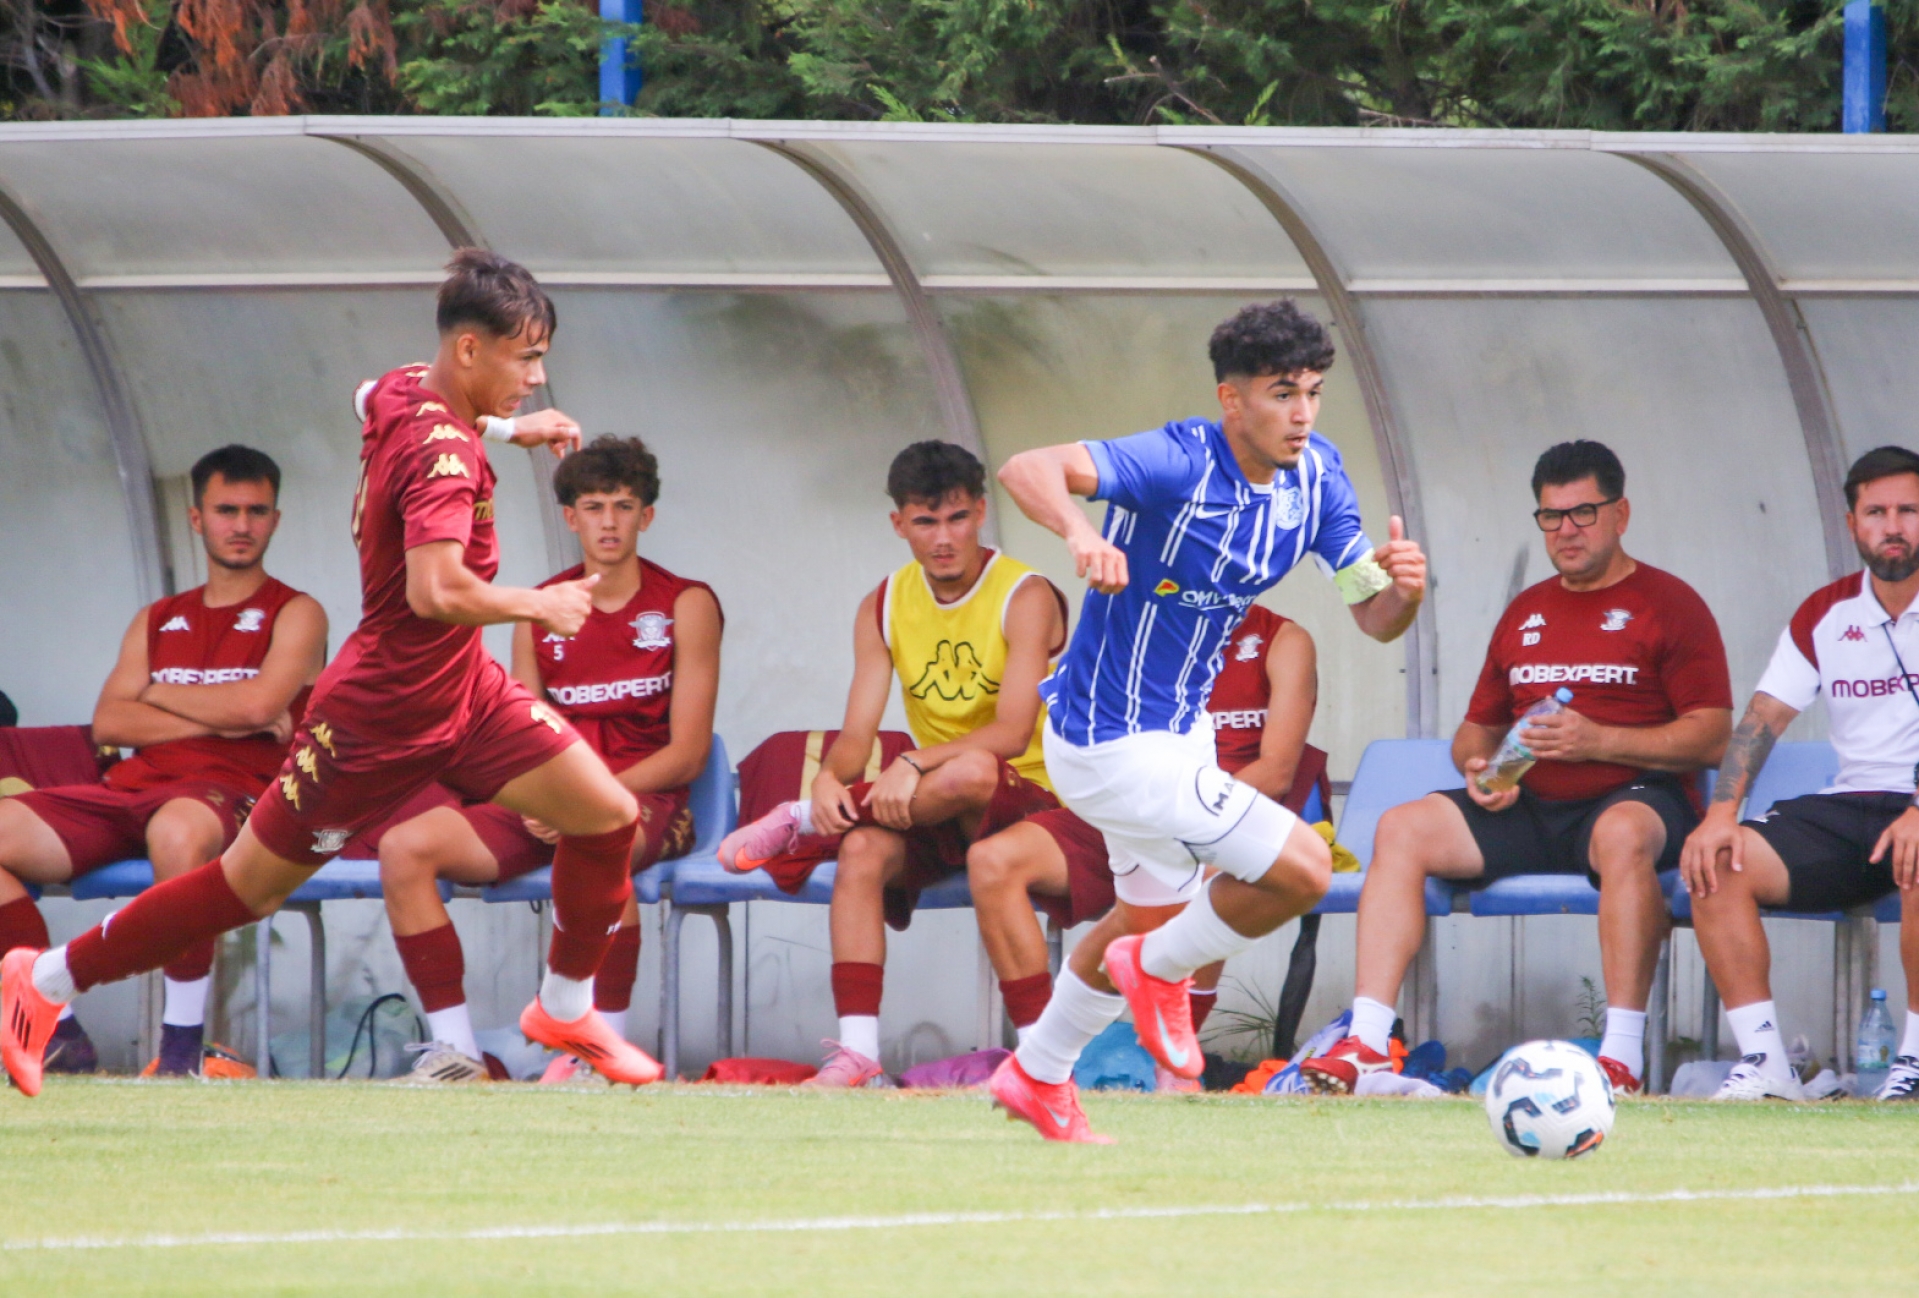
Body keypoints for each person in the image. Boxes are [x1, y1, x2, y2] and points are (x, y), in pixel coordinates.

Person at [1, 250, 666, 1098]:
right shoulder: (443, 455)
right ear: (469, 349)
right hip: (377, 717)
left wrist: (509, 430)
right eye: (526, 359)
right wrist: (540, 605)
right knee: (242, 890)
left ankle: (563, 1008)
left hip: (464, 692)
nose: (537, 380)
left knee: (607, 816)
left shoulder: (405, 388)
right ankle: (44, 978)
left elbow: (364, 392)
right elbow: (434, 591)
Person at [988, 299, 1426, 1141]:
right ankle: (1155, 972)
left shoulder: (1317, 477)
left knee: (1142, 919)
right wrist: (1080, 534)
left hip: (1178, 734)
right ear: (1232, 399)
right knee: (1303, 871)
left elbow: (1372, 616)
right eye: (1280, 394)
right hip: (1106, 740)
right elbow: (1024, 467)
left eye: (1312, 392)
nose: (1301, 413)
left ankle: (1035, 1072)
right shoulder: (1177, 459)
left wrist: (1401, 589)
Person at [1303, 441, 1731, 1097]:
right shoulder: (1527, 610)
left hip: (1631, 798)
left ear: (1620, 514)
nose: (1566, 530)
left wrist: (1598, 739)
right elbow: (1475, 732)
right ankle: (1366, 1042)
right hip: (1527, 804)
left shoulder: (1668, 602)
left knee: (1622, 834)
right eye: (1551, 516)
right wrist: (1480, 771)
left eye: (1583, 513)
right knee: (1401, 827)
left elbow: (1713, 735)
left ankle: (1621, 1057)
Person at [716, 441, 1065, 1086]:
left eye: (956, 518)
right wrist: (829, 778)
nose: (944, 538)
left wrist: (915, 762)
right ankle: (857, 1054)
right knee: (861, 851)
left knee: (974, 770)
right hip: (936, 800)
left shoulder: (1025, 593)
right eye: (925, 521)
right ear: (898, 524)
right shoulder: (882, 602)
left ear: (981, 513)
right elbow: (856, 735)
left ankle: (800, 820)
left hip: (1037, 801)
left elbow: (1013, 734)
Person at [378, 435, 721, 1083]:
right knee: (404, 849)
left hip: (642, 801)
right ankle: (457, 1054)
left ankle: (595, 1058)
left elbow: (687, 753)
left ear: (646, 516)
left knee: (598, 846)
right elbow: (519, 733)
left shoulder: (685, 604)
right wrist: (544, 799)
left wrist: (579, 804)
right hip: (548, 804)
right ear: (570, 517)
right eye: (594, 507)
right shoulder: (538, 608)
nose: (609, 522)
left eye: (624, 506)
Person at [0, 445, 326, 1076]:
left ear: (275, 520)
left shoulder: (297, 611)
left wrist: (155, 692)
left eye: (256, 511)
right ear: (196, 518)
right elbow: (110, 722)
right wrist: (225, 715)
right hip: (131, 786)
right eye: (226, 510)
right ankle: (56, 1026)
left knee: (177, 832)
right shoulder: (158, 617)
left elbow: (259, 705)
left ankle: (180, 1050)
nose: (241, 525)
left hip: (231, 790)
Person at [965, 604, 1319, 1067]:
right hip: (1120, 809)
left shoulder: (1281, 639)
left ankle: (1169, 1073)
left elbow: (1276, 771)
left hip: (1208, 811)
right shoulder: (1133, 620)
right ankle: (1041, 1054)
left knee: (1209, 870)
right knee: (993, 861)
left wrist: (1183, 816)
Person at [1681, 445, 1919, 1102]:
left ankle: (1913, 1061)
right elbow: (1762, 717)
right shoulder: (1824, 612)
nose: (1892, 527)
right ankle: (1766, 1065)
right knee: (1716, 862)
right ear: (1851, 524)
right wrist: (1720, 814)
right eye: (1875, 512)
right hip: (1852, 806)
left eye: (1908, 511)